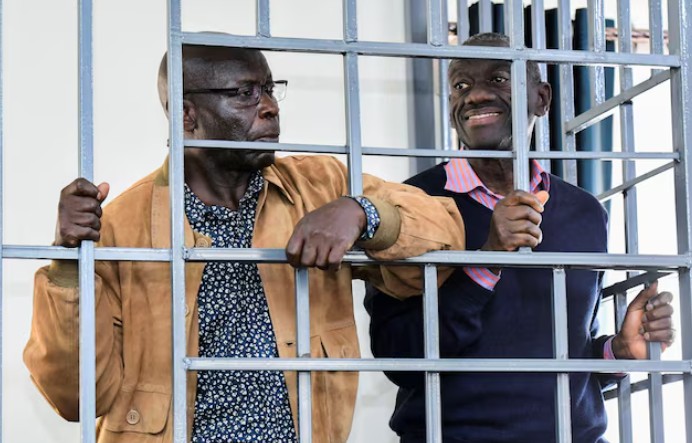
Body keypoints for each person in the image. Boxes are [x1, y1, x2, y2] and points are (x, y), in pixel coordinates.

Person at [23, 45, 466, 443]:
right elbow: (76, 397)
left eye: (271, 89)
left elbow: (444, 233)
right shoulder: (121, 226)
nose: (270, 107)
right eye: (245, 93)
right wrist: (67, 260)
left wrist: (361, 213)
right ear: (186, 115)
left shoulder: (320, 186)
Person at [366, 32, 675, 443]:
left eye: (497, 79)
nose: (474, 96)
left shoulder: (584, 213)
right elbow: (398, 356)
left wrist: (619, 352)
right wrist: (488, 257)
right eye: (460, 85)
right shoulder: (410, 203)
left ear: (541, 99)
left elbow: (567, 358)